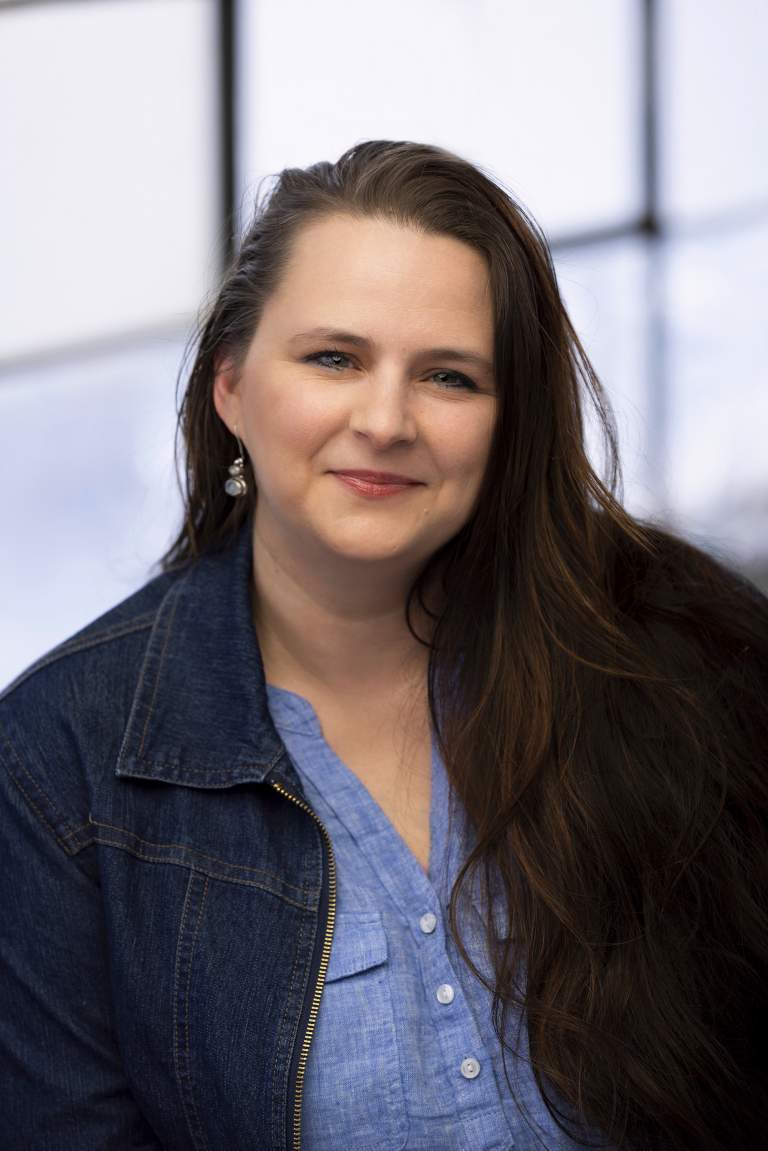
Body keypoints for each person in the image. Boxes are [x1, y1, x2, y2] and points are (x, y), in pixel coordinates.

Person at [1, 140, 766, 1151]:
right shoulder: (59, 760)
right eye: (334, 358)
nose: (387, 418)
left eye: (449, 376)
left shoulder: (683, 642)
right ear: (231, 386)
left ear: (510, 422)